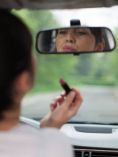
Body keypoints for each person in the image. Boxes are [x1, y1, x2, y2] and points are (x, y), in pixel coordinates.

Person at [0, 9, 83, 157]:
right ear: (23, 81)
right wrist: (49, 131)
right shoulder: (54, 146)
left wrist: (49, 125)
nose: (69, 39)